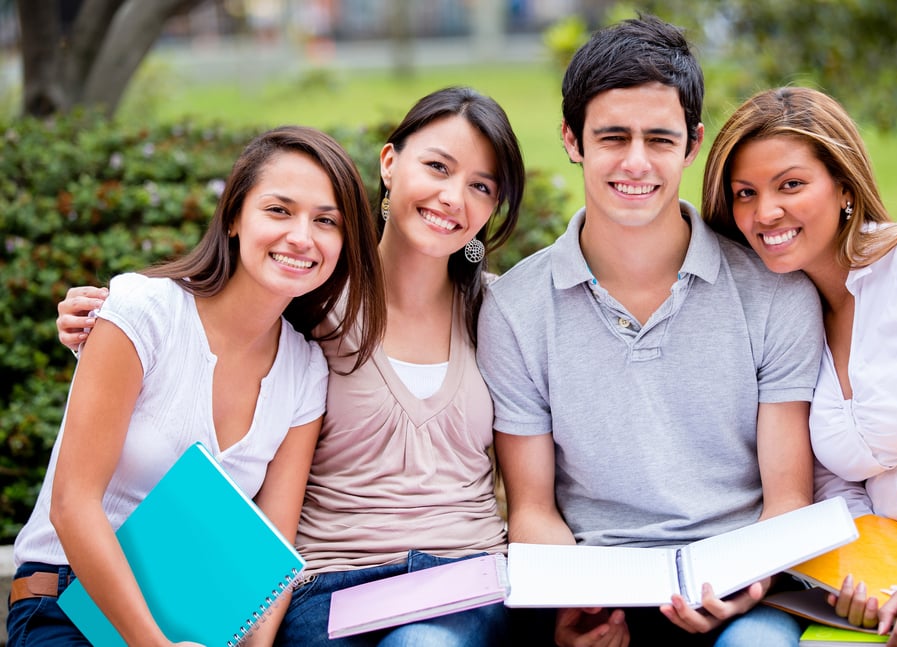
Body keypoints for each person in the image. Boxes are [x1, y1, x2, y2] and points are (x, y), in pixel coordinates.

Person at [55, 86, 525, 647]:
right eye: (438, 167)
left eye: (481, 186)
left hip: (462, 584)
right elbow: (221, 306)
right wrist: (104, 325)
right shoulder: (310, 296)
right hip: (328, 583)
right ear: (390, 163)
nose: (453, 197)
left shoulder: (503, 314)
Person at [476, 15, 823, 647]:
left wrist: (744, 588)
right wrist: (578, 600)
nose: (636, 163)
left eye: (659, 140)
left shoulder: (775, 294)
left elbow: (787, 498)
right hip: (590, 584)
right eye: (613, 137)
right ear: (572, 139)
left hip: (742, 588)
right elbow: (532, 506)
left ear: (691, 146)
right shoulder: (515, 308)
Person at [9, 125, 386, 647]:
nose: (302, 236)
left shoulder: (305, 372)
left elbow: (270, 552)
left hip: (202, 623)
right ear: (233, 217)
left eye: (326, 221)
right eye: (279, 210)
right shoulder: (144, 312)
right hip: (68, 607)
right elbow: (73, 504)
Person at [701, 86, 897, 647]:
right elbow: (844, 481)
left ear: (843, 184)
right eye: (745, 193)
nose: (765, 213)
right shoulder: (787, 318)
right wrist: (863, 572)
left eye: (791, 184)